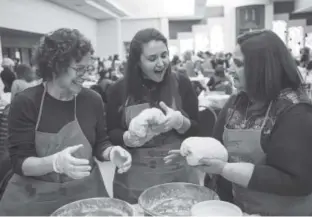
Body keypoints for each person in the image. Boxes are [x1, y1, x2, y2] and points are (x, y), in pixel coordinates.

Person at [168, 30, 312, 216]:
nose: (230, 70)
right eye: (233, 62)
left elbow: (301, 181)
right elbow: (219, 147)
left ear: (264, 67)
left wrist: (226, 169)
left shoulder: (297, 113)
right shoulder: (237, 103)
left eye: (239, 64)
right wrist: (197, 154)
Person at [0, 28, 132, 216]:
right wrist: (54, 163)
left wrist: (111, 152)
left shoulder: (92, 99)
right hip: (36, 200)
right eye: (79, 69)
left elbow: (100, 142)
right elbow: (19, 162)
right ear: (55, 66)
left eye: (87, 68)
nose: (85, 75)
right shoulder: (26, 102)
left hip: (84, 196)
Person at [106, 28, 199, 204]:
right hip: (135, 180)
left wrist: (181, 123)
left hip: (177, 176)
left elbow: (198, 130)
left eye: (164, 55)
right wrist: (127, 138)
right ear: (137, 62)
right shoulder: (118, 89)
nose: (161, 63)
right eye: (152, 58)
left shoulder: (182, 83)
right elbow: (110, 132)